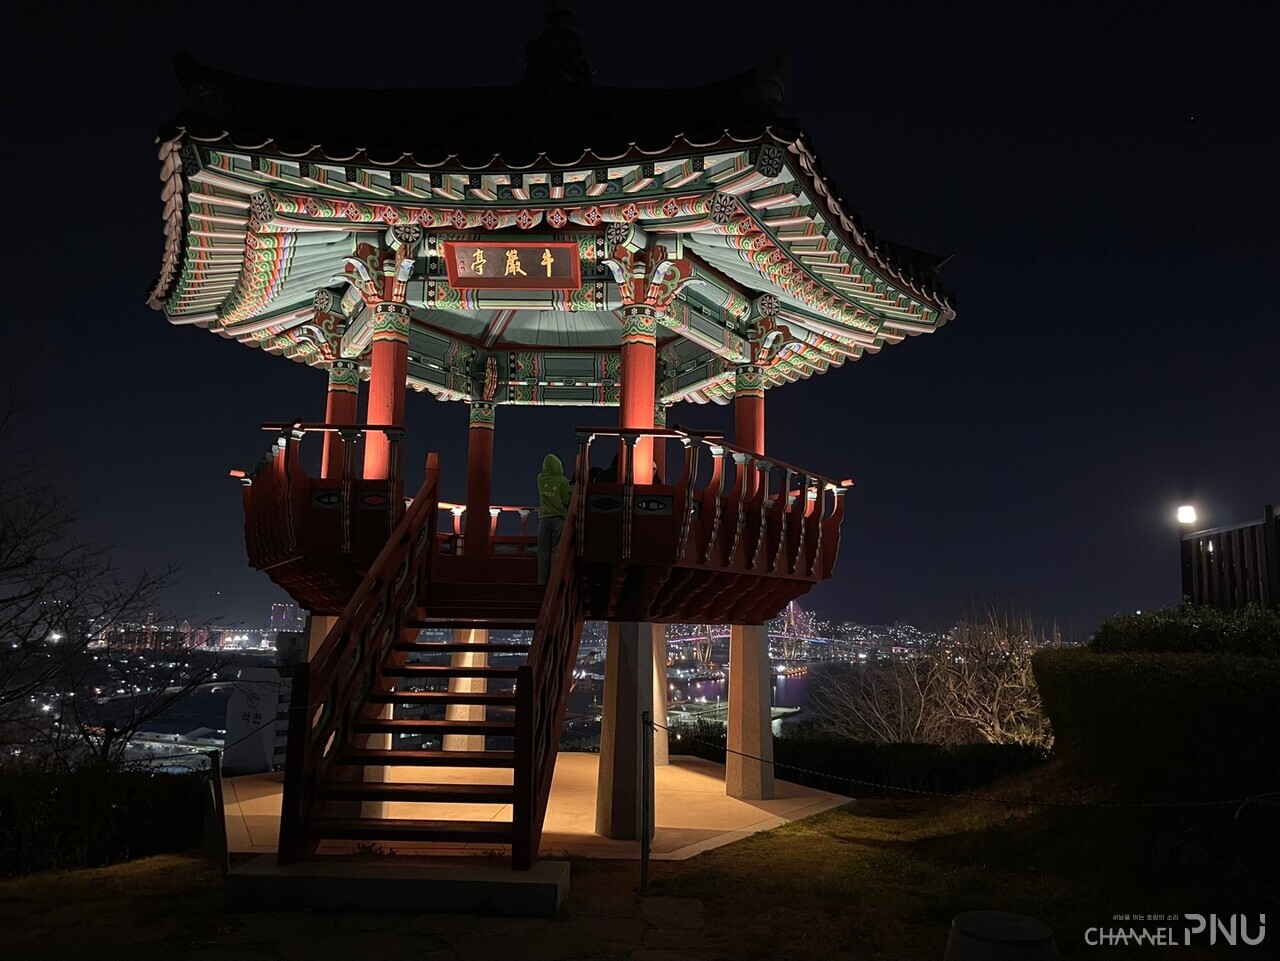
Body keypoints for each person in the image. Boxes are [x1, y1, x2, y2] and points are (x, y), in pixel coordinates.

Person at [536, 453, 571, 584]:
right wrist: (571, 488)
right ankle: (553, 581)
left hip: (543, 520)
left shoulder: (540, 478)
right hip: (558, 520)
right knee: (556, 552)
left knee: (543, 553)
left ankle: (541, 582)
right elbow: (566, 499)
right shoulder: (562, 481)